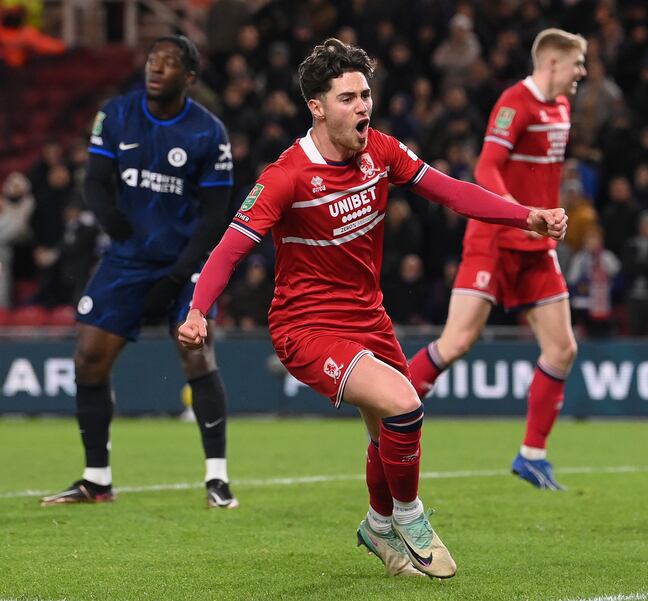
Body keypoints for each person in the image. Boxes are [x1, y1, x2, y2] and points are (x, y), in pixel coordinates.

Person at [176, 39, 567, 579]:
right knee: (405, 404)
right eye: (348, 98)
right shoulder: (285, 176)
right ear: (317, 106)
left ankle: (377, 525)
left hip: (368, 317)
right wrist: (198, 310)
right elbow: (230, 247)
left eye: (366, 94)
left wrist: (526, 216)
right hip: (306, 328)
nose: (363, 106)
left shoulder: (380, 151)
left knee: (388, 433)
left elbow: (451, 191)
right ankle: (410, 517)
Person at [41, 36, 238, 509]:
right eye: (153, 61)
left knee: (197, 355)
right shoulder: (117, 113)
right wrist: (112, 222)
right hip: (126, 258)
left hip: (182, 262)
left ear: (188, 78)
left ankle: (217, 479)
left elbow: (215, 216)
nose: (157, 69)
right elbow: (94, 180)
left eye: (169, 64)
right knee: (88, 358)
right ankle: (96, 479)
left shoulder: (208, 132)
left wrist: (177, 276)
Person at [406, 28, 587, 491]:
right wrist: (523, 214)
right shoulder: (514, 102)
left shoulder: (562, 108)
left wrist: (545, 216)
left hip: (536, 242)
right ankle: (391, 407)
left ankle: (532, 455)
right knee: (458, 341)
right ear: (551, 64)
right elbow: (485, 168)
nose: (581, 72)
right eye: (576, 64)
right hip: (496, 236)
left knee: (563, 348)